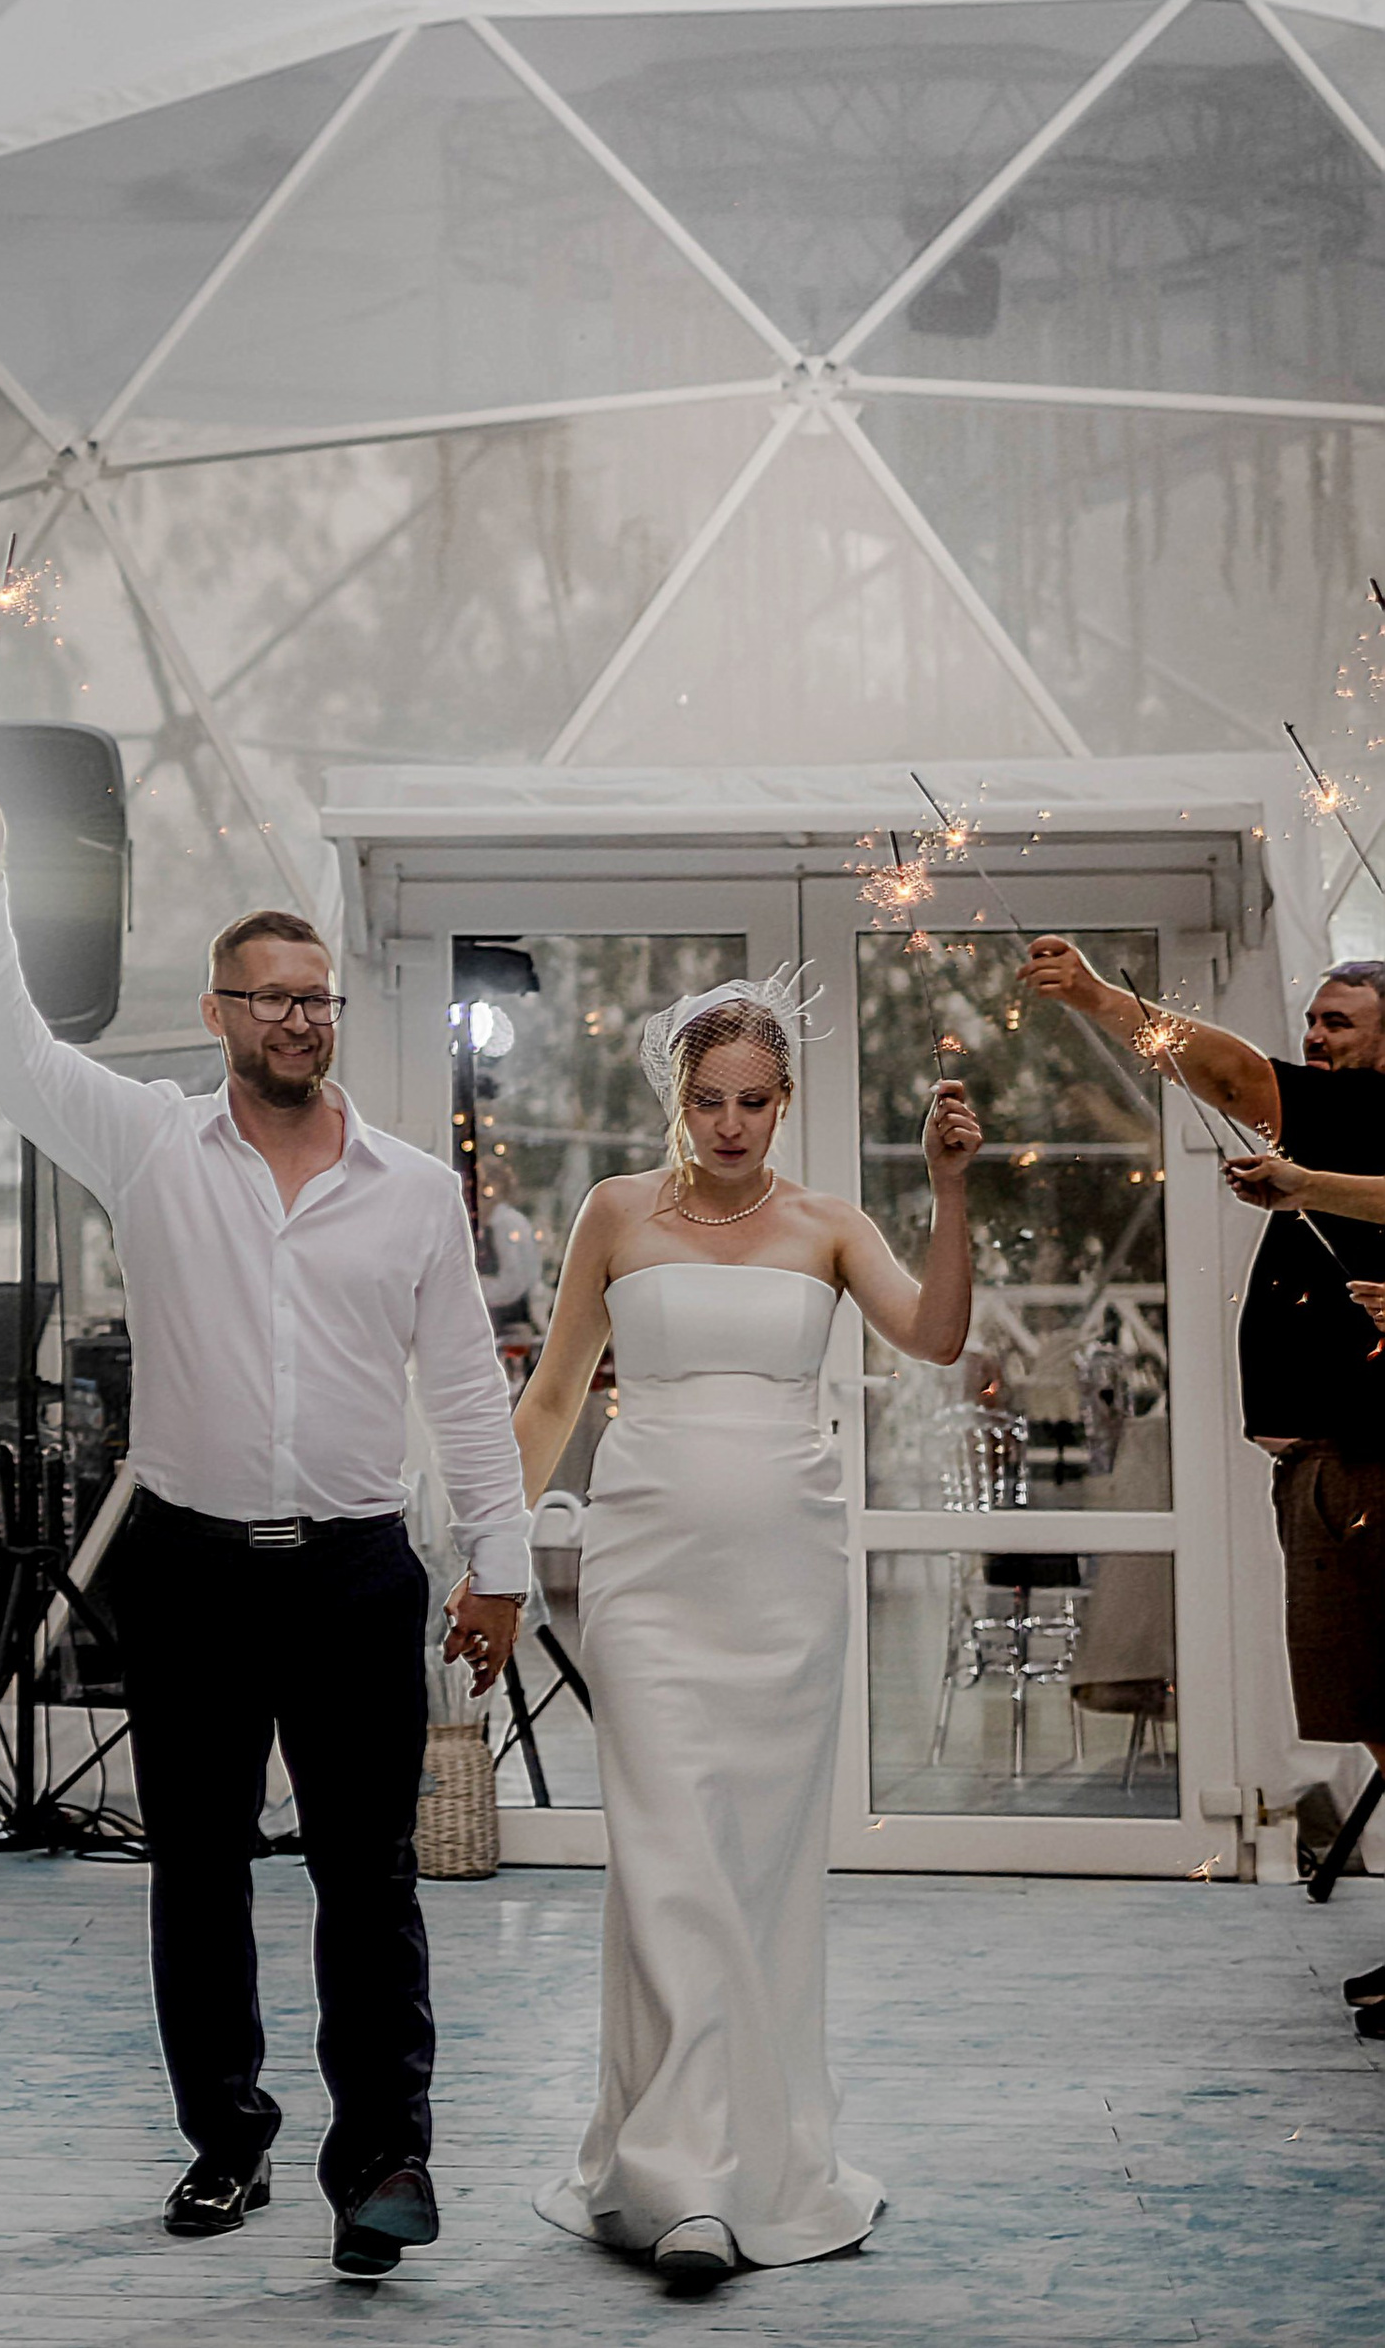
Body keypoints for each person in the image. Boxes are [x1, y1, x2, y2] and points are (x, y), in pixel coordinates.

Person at [0, 765, 528, 2285]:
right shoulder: (145, 1142)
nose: (296, 1019)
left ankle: (385, 2153)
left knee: (367, 1871)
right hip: (189, 1562)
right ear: (216, 1014)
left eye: (316, 998)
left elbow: (467, 1387)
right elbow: (3, 1043)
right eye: (267, 998)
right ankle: (228, 2130)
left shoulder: (407, 1190)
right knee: (197, 1867)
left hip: (353, 1570)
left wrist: (502, 1568)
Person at [481, 975, 980, 2291]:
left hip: (784, 1581)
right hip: (643, 1568)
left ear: (785, 1100)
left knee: (753, 1869)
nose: (731, 1120)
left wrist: (950, 1189)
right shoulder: (615, 1212)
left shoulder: (827, 1221)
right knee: (663, 1854)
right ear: (677, 1096)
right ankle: (680, 2176)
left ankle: (743, 2154)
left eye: (754, 1099)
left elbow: (935, 1332)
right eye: (708, 1098)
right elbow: (547, 1402)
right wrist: (489, 1552)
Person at [1022, 943, 1385, 2033]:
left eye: (1338, 1022)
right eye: (1313, 1022)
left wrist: (1092, 994)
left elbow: (1221, 1069)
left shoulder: (1345, 1116)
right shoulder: (1333, 1120)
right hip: (1317, 1465)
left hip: (1371, 1464)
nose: (1314, 1040)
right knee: (1368, 1714)